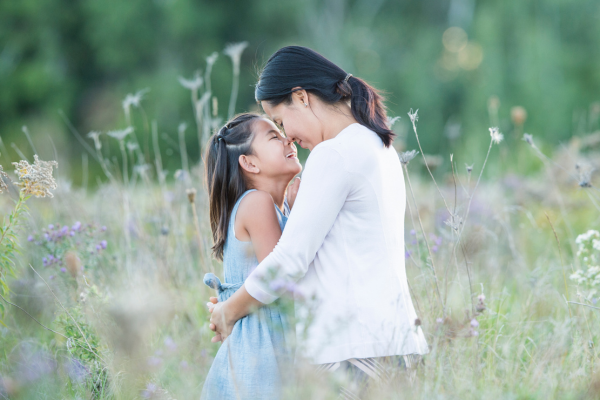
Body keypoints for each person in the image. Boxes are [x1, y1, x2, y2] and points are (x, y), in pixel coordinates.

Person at [209, 46, 429, 395]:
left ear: (301, 97)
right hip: (396, 344)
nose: (289, 137)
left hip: (354, 352)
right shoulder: (378, 146)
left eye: (281, 122)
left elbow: (290, 260)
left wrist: (229, 310)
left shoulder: (334, 153)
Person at [201, 112, 302, 400]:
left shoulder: (274, 208)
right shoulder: (257, 203)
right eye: (274, 137)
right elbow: (281, 278)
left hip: (266, 342)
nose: (288, 140)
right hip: (261, 349)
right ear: (249, 162)